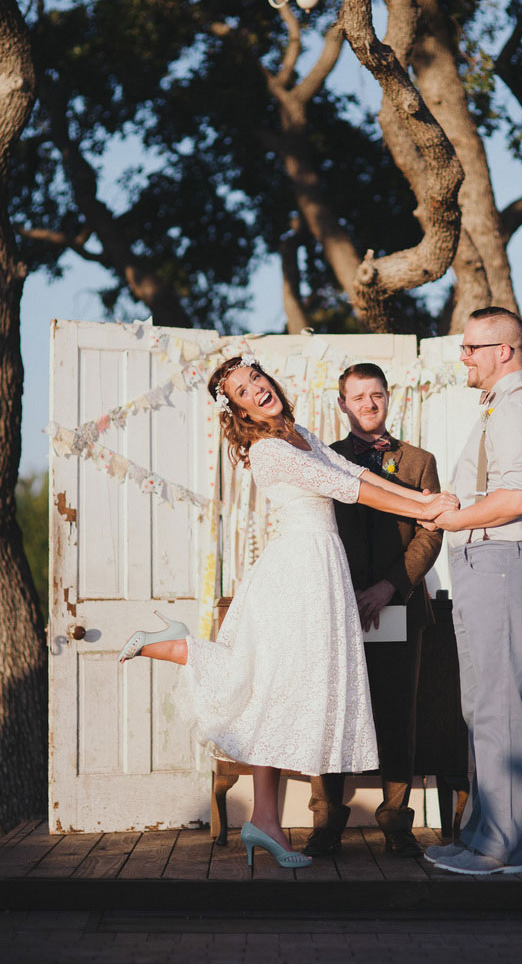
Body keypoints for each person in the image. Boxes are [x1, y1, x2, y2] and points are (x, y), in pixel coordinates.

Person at [117, 353, 457, 871]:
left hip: (321, 570)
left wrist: (425, 500)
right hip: (298, 571)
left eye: (256, 377)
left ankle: (266, 821)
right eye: (242, 390)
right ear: (238, 411)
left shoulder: (300, 435)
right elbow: (353, 489)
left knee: (283, 692)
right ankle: (184, 648)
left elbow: (352, 470)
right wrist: (425, 508)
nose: (256, 388)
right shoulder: (269, 450)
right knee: (271, 686)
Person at [423, 307, 522, 876]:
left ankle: (501, 851)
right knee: (481, 708)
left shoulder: (520, 406)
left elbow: (516, 498)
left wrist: (454, 520)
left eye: (472, 347)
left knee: (500, 711)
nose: (464, 357)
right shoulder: (498, 409)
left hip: (504, 562)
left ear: (505, 349)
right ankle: (479, 835)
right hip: (485, 564)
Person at [304, 363, 443, 858]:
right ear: (341, 404)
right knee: (332, 713)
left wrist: (389, 587)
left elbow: (432, 532)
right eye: (357, 397)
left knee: (396, 714)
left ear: (389, 398)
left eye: (376, 395)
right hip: (336, 608)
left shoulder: (419, 461)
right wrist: (342, 593)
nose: (368, 404)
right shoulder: (323, 458)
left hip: (399, 605)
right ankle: (325, 823)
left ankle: (397, 824)